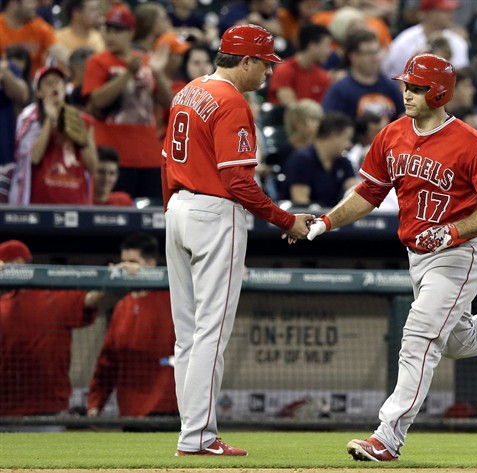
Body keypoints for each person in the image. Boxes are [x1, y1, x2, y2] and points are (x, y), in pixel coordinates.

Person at [306, 54, 477, 462]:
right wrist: (327, 222)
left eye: (416, 87)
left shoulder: (474, 143)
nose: (407, 93)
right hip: (418, 254)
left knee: (418, 336)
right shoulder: (392, 134)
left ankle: (387, 436)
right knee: (458, 340)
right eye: (406, 85)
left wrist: (453, 230)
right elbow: (368, 193)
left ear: (439, 91)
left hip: (459, 253)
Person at [161, 24, 313, 456]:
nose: (267, 72)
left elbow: (165, 159)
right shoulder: (232, 101)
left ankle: (191, 434)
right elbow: (238, 181)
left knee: (187, 334)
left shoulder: (188, 91)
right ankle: (199, 437)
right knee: (210, 332)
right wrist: (285, 220)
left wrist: (170, 208)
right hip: (213, 213)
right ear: (244, 61)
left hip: (178, 208)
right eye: (264, 63)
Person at [0, 240, 109, 417]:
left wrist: (114, 274)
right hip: (6, 409)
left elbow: (90, 299)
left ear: (18, 263)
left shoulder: (54, 298)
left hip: (48, 409)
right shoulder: (3, 304)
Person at [82, 4, 172, 200]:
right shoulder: (98, 62)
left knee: (152, 216)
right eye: (108, 30)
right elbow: (96, 100)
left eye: (118, 31)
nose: (111, 36)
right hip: (112, 156)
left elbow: (169, 104)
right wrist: (127, 75)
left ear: (130, 33)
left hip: (148, 154)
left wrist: (158, 73)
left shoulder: (148, 61)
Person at [87, 233, 176, 417]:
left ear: (151, 264)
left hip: (171, 411)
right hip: (130, 412)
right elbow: (107, 362)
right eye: (122, 262)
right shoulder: (122, 306)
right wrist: (95, 403)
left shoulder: (177, 298)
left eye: (132, 262)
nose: (124, 268)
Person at [10, 65, 98, 205]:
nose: (54, 86)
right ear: (38, 92)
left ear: (65, 88)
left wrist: (82, 142)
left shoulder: (83, 121)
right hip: (40, 202)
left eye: (58, 82)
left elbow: (93, 167)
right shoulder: (29, 119)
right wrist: (50, 120)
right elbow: (33, 158)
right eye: (48, 83)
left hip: (75, 200)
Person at [322, 29, 404, 122]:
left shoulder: (390, 87)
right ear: (354, 57)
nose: (375, 58)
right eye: (369, 53)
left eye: (377, 52)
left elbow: (404, 116)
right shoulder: (340, 90)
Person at [282, 111, 358, 208]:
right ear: (334, 136)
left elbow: (355, 194)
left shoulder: (343, 162)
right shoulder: (302, 160)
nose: (349, 145)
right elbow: (300, 201)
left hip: (335, 218)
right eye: (347, 138)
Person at [381, 0, 469, 79]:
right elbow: (390, 74)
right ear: (428, 13)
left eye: (450, 11)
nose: (451, 15)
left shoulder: (458, 42)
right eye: (444, 11)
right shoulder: (405, 41)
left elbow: (461, 78)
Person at [266, 23, 332, 105]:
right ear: (313, 46)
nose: (329, 51)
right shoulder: (284, 70)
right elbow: (291, 108)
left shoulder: (323, 77)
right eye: (327, 46)